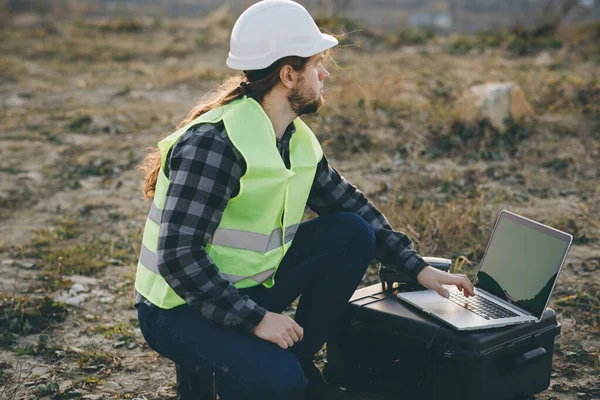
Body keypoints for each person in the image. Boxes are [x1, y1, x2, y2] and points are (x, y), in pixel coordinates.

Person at [134, 1, 475, 399]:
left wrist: (418, 269)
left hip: (245, 288)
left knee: (351, 232)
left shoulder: (293, 138)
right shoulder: (214, 145)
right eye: (317, 64)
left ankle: (285, 356)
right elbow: (178, 256)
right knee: (283, 386)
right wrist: (257, 320)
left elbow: (349, 205)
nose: (325, 73)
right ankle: (241, 366)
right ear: (288, 74)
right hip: (178, 308)